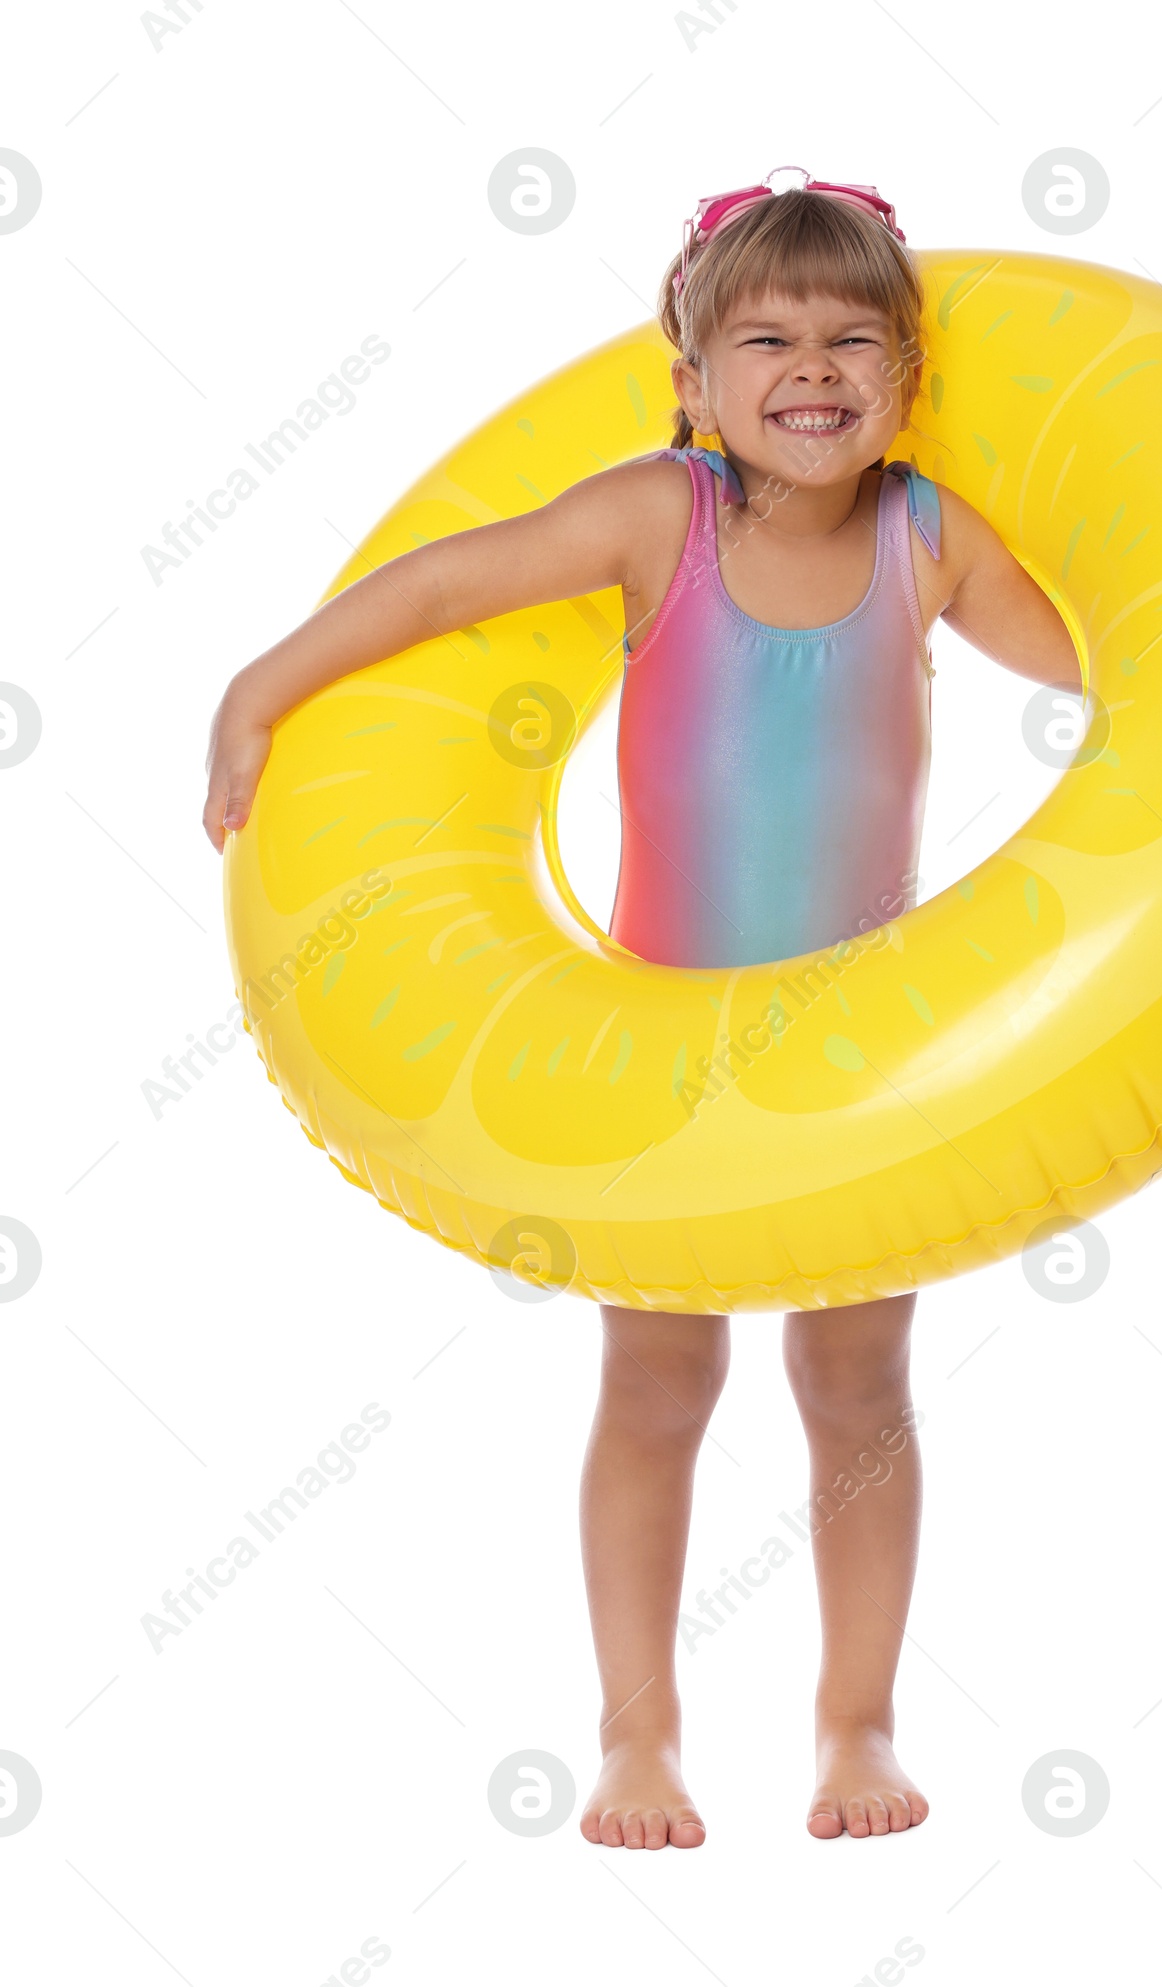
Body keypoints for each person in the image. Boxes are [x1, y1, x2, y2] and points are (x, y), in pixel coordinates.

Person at [203, 169, 1082, 1851]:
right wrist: (263, 682)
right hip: (657, 1054)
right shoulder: (656, 519)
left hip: (857, 1061)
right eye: (765, 337)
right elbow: (452, 583)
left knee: (855, 1381)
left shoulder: (927, 536)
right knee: (660, 1386)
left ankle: (855, 1722)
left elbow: (1113, 672)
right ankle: (638, 1739)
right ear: (692, 377)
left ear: (905, 377)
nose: (810, 367)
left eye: (852, 339)